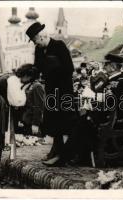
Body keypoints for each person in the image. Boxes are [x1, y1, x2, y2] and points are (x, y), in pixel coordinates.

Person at [26, 22, 77, 166]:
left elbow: (69, 69)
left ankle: (63, 155)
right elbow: (37, 68)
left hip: (63, 91)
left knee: (64, 122)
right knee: (53, 123)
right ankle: (56, 151)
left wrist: (52, 70)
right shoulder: (38, 49)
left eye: (35, 40)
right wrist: (26, 77)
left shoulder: (59, 46)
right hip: (50, 91)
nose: (35, 43)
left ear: (41, 37)